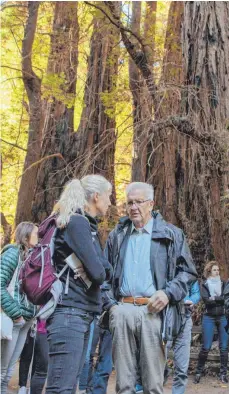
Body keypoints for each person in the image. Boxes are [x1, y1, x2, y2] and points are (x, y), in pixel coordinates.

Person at [106, 182, 197, 394]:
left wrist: (168, 293)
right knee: (124, 384)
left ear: (151, 204)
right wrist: (112, 307)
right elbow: (104, 275)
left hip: (153, 312)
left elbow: (188, 272)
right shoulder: (117, 235)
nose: (133, 207)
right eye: (129, 203)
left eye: (139, 202)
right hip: (123, 310)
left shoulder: (171, 234)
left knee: (153, 384)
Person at [45, 175, 113, 393]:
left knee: (68, 385)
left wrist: (101, 269)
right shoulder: (77, 223)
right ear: (96, 197)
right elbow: (99, 273)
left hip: (79, 313)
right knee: (62, 387)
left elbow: (103, 269)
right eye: (108, 196)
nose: (110, 202)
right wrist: (100, 269)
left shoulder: (85, 225)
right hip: (69, 313)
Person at [1, 222, 38, 394]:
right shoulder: (12, 253)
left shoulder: (32, 256)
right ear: (25, 236)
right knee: (2, 371)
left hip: (26, 322)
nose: (39, 236)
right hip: (14, 319)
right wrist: (16, 314)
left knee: (8, 372)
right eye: (36, 233)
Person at [194, 261, 229, 384]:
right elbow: (206, 301)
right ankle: (198, 372)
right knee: (206, 347)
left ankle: (223, 374)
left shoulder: (224, 284)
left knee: (224, 347)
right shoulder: (204, 284)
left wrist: (214, 298)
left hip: (222, 317)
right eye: (214, 270)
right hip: (208, 317)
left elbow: (225, 299)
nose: (217, 272)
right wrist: (217, 299)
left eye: (218, 270)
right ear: (209, 271)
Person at [163, 280, 200, 394]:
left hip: (185, 317)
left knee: (182, 369)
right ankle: (164, 372)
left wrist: (192, 300)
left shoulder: (189, 270)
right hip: (165, 317)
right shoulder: (164, 264)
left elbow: (196, 293)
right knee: (158, 364)